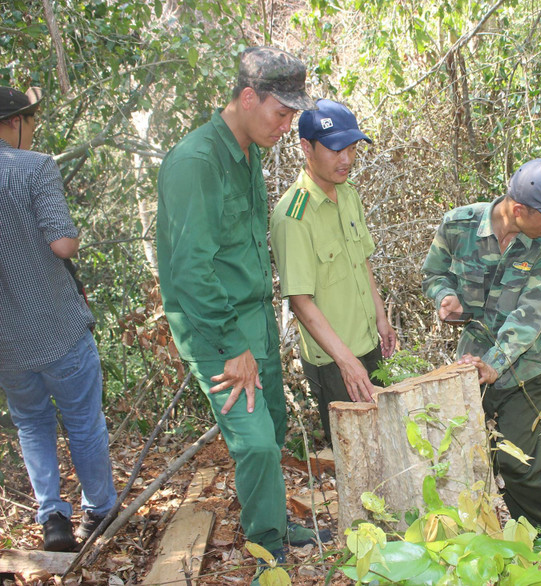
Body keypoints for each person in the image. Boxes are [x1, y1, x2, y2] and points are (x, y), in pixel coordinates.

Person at [155, 47, 329, 577]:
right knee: (254, 442)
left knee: (272, 427)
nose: (288, 125)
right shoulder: (196, 162)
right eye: (282, 112)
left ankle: (271, 524)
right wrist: (233, 347)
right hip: (216, 327)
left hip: (253, 317)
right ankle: (265, 551)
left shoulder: (248, 148)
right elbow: (189, 270)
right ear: (248, 97)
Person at [421, 158, 541, 527]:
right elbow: (433, 273)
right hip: (469, 367)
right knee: (466, 461)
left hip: (522, 368)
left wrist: (495, 363)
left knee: (519, 465)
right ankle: (506, 535)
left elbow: (531, 313)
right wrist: (444, 296)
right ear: (518, 210)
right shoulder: (458, 225)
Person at [0, 86, 117, 551]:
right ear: (14, 123)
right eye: (30, 120)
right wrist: (75, 233)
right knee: (83, 420)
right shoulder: (35, 167)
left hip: (7, 343)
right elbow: (62, 244)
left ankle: (52, 518)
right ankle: (99, 511)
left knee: (31, 423)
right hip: (57, 329)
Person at [270, 99, 397, 440]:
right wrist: (346, 362)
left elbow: (362, 261)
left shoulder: (348, 195)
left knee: (389, 445)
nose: (346, 160)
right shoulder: (293, 216)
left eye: (352, 149)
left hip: (369, 345)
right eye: (335, 150)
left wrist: (381, 318)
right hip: (334, 362)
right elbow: (300, 301)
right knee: (358, 460)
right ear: (306, 148)